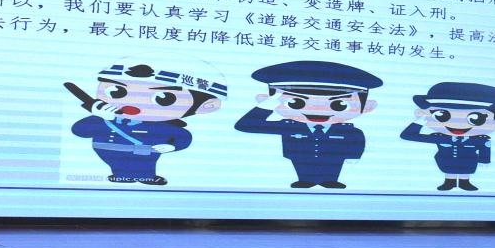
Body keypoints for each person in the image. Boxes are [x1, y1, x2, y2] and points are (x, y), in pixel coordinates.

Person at [68, 58, 227, 186]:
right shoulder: (104, 118)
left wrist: (173, 146)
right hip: (107, 151)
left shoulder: (161, 126)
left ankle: (147, 176)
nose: (133, 103)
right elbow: (79, 131)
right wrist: (100, 118)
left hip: (144, 153)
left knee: (144, 166)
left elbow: (183, 136)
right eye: (117, 91)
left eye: (164, 98)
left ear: (205, 106)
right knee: (118, 166)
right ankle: (121, 175)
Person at [234, 60, 382, 189]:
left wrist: (353, 158)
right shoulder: (290, 126)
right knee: (302, 167)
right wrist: (267, 106)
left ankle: (330, 180)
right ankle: (305, 180)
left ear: (368, 106)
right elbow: (246, 126)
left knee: (332, 167)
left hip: (334, 164)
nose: (318, 109)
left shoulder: (348, 131)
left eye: (339, 105)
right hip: (300, 161)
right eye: (296, 102)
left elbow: (357, 143)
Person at [400, 82, 495, 191]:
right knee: (449, 171)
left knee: (465, 172)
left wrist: (484, 160)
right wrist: (419, 121)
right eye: (441, 115)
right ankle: (449, 182)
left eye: (476, 119)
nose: (458, 124)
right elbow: (408, 136)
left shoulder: (479, 140)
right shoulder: (440, 138)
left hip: (468, 162)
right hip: (445, 162)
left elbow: (485, 148)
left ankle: (465, 182)